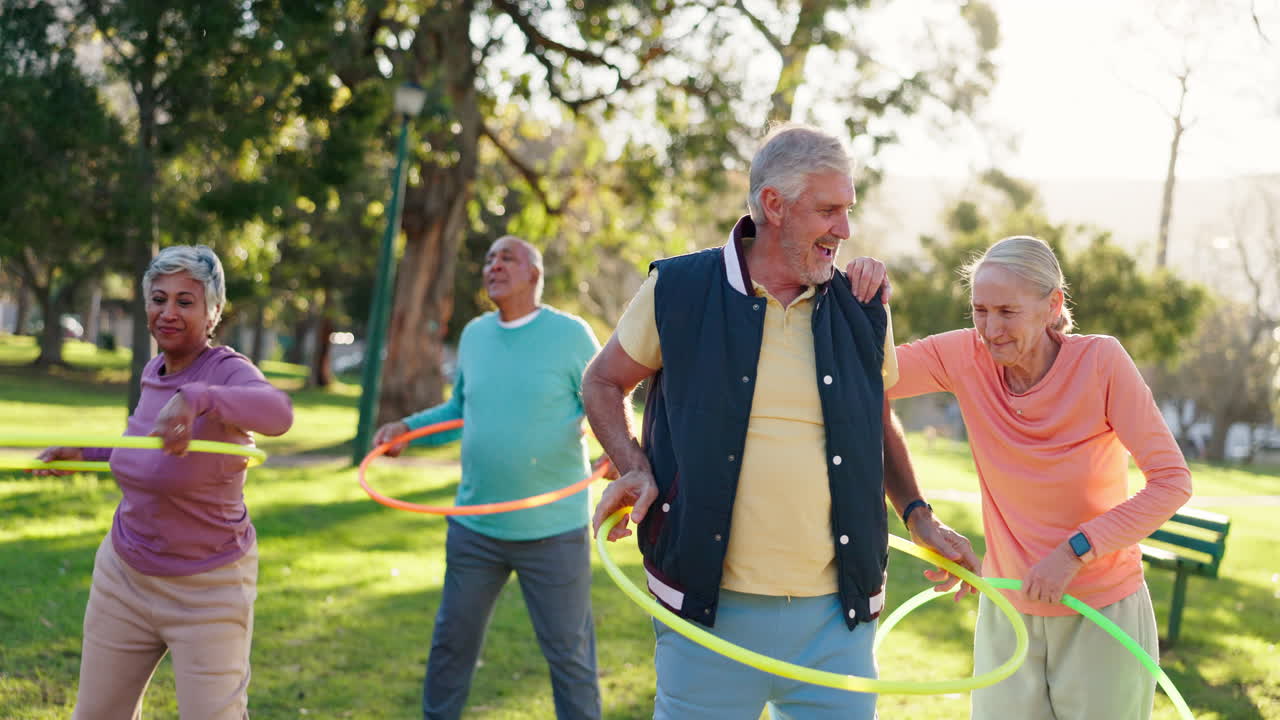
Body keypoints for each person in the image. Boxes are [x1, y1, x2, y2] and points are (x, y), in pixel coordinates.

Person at [583, 123, 979, 720]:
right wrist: (634, 465)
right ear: (773, 205)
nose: (843, 229)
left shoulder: (862, 304)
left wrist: (919, 516)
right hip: (705, 615)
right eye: (827, 210)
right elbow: (603, 380)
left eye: (847, 210)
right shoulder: (680, 289)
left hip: (836, 623)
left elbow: (877, 423)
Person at [852, 235, 1192, 719]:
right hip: (1007, 609)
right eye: (980, 310)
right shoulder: (965, 355)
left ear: (1052, 305)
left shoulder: (1101, 363)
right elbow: (868, 372)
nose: (991, 330)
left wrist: (1077, 551)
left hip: (1101, 612)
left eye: (1007, 312)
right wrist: (865, 297)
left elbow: (1171, 481)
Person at [36, 244, 294, 719]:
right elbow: (145, 448)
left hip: (207, 588)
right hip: (124, 575)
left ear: (213, 312)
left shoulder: (227, 371)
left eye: (185, 301)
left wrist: (200, 398)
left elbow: (279, 413)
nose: (167, 312)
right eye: (159, 299)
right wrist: (85, 453)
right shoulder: (154, 371)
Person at [372, 235, 603, 720]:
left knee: (570, 655)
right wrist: (408, 430)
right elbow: (461, 409)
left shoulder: (571, 335)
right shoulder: (475, 335)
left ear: (534, 275)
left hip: (554, 531)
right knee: (451, 646)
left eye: (507, 257)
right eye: (488, 258)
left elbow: (604, 403)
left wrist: (616, 458)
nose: (493, 265)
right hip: (475, 528)